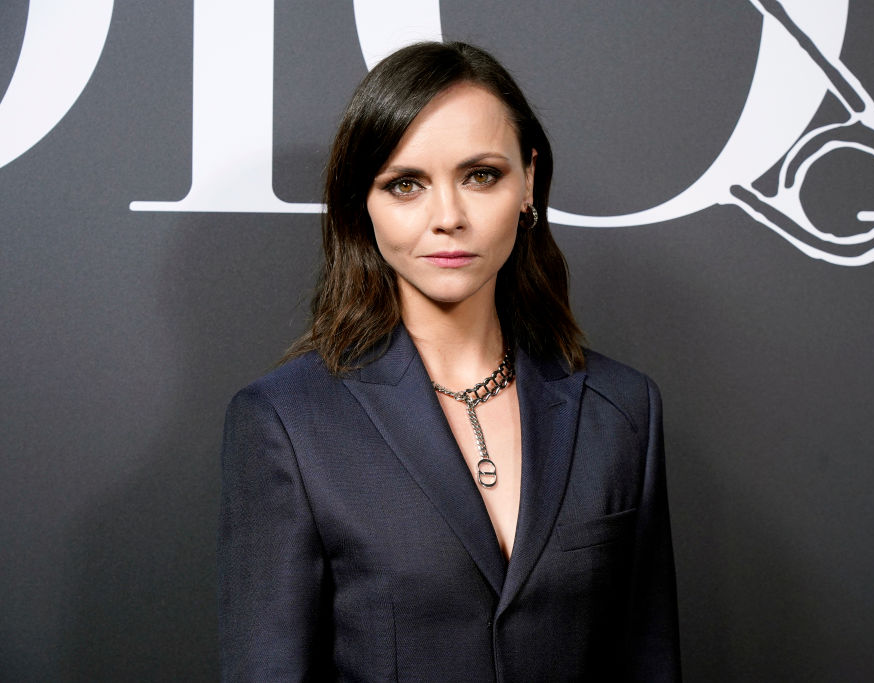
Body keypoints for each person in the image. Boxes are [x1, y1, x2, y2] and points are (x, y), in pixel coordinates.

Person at [218, 41, 680, 681]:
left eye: (480, 175)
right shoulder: (286, 421)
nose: (448, 218)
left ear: (529, 182)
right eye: (405, 184)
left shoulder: (623, 407)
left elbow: (648, 660)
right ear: (362, 203)